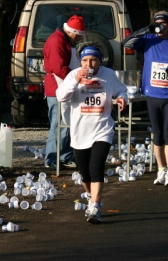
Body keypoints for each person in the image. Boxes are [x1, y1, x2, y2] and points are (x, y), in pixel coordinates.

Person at [122, 11, 168, 188]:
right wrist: (147, 29)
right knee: (157, 133)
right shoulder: (148, 38)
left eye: (163, 23)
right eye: (157, 23)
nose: (160, 26)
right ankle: (160, 169)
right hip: (152, 92)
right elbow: (126, 43)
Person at [56, 45, 127, 224]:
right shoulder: (74, 74)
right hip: (80, 131)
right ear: (80, 62)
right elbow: (60, 96)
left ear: (99, 61)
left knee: (96, 168)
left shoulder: (108, 74)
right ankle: (90, 195)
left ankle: (95, 206)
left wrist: (121, 98)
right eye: (85, 60)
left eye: (93, 60)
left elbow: (122, 90)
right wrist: (75, 81)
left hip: (102, 129)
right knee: (84, 172)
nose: (89, 64)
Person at [43, 15, 85, 169]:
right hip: (57, 88)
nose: (79, 39)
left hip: (66, 86)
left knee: (67, 122)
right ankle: (52, 158)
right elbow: (58, 68)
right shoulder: (57, 41)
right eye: (79, 36)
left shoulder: (65, 40)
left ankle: (65, 156)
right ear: (72, 32)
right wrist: (77, 79)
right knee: (58, 123)